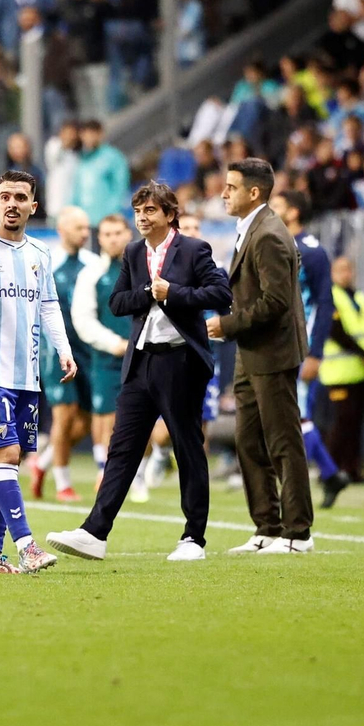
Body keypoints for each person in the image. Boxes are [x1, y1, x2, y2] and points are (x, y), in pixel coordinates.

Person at [48, 180, 230, 563]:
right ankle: (95, 533)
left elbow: (220, 295)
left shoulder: (194, 249)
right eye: (138, 212)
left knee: (186, 446)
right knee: (122, 448)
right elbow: (117, 302)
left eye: (150, 211)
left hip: (180, 361)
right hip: (140, 360)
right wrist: (149, 292)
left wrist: (174, 293)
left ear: (169, 214)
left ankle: (193, 538)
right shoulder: (133, 253)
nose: (142, 218)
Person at [0, 171, 77, 575]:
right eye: (4, 196)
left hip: (27, 375)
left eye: (20, 197)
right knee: (7, 455)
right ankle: (27, 546)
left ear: (33, 206)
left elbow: (48, 306)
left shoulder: (41, 254)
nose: (12, 203)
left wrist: (63, 350)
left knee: (5, 461)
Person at [206, 160, 313, 554]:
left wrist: (228, 324)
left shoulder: (268, 233)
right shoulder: (252, 228)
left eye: (231, 187)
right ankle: (267, 526)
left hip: (273, 352)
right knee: (247, 439)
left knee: (283, 441)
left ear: (253, 192)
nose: (223, 193)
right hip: (251, 353)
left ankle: (298, 532)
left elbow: (276, 302)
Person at [270, 190, 351, 507]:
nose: (270, 211)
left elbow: (324, 302)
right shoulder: (273, 244)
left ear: (293, 212)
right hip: (275, 345)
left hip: (299, 348)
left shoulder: (312, 251)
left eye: (276, 206)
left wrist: (315, 353)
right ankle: (330, 475)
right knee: (287, 418)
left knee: (296, 418)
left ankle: (299, 488)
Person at [29, 206, 97, 502]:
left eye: (86, 228)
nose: (85, 233)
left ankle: (40, 464)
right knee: (64, 416)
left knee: (86, 421)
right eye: (78, 228)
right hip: (54, 351)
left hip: (89, 351)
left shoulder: (93, 264)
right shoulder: (46, 262)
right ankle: (63, 484)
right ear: (62, 230)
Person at [71, 212, 133, 494]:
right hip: (107, 358)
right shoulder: (92, 274)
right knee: (105, 416)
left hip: (143, 356)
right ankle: (104, 472)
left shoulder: (145, 269)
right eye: (106, 234)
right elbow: (83, 319)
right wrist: (114, 343)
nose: (112, 239)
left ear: (128, 234)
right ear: (100, 238)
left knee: (140, 418)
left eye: (117, 233)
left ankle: (140, 471)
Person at [320, 255, 364, 484]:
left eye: (348, 270)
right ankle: (329, 471)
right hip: (338, 372)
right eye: (340, 270)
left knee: (356, 423)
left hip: (360, 372)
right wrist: (363, 353)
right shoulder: (330, 297)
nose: (345, 274)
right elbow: (336, 331)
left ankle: (352, 469)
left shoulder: (359, 297)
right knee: (340, 423)